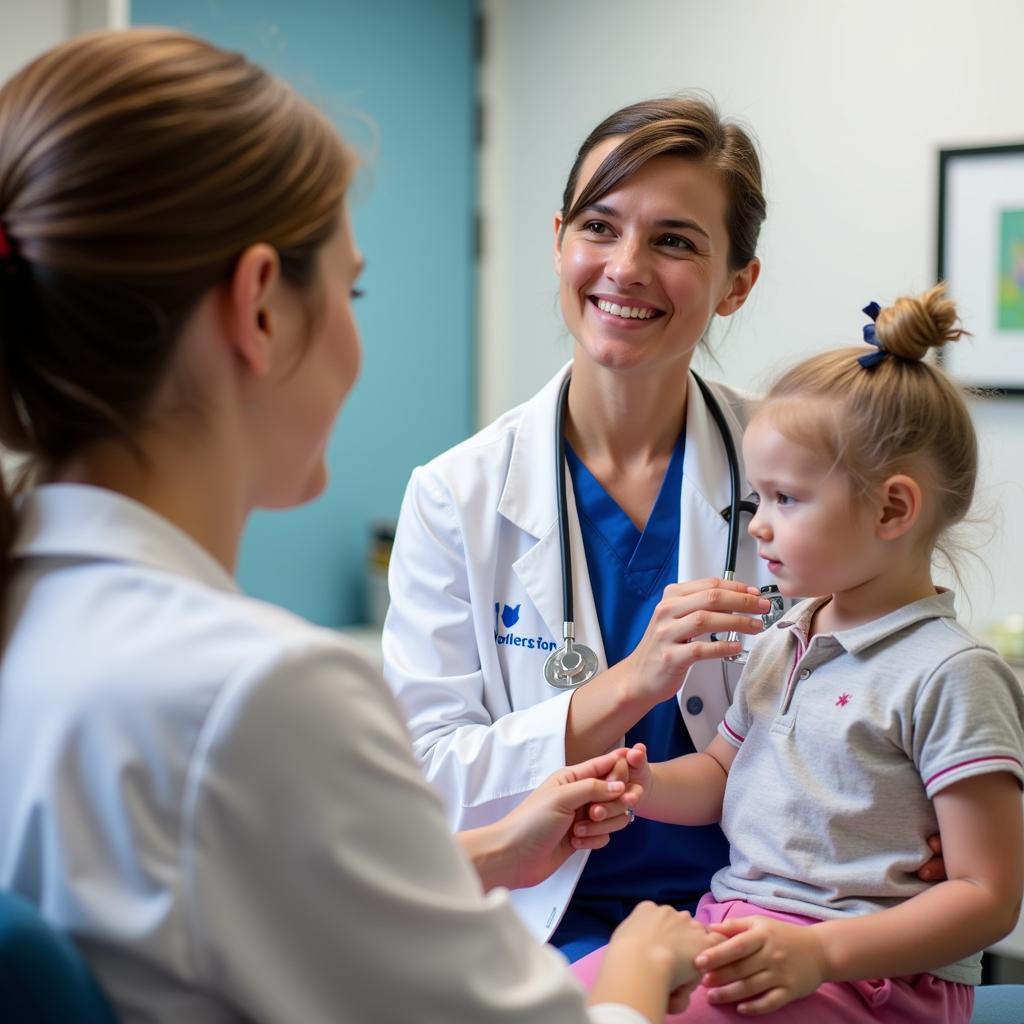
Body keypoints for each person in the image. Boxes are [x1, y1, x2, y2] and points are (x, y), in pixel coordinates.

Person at [0, 29, 725, 1024]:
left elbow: (240, 903)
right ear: (260, 308)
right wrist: (642, 968)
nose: (354, 335)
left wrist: (480, 856)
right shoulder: (262, 691)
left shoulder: (36, 613)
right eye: (352, 288)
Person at [382, 96, 944, 959]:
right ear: (559, 238)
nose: (627, 266)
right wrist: (630, 684)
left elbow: (908, 671)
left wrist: (926, 809)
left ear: (737, 284)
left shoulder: (809, 469)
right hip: (541, 928)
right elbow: (432, 778)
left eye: (675, 241)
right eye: (600, 228)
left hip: (774, 919)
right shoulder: (456, 496)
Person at [570, 286, 1024, 1022]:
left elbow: (986, 897)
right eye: (757, 502)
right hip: (740, 928)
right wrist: (637, 783)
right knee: (544, 1004)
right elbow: (721, 774)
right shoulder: (786, 638)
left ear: (892, 509)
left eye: (786, 499)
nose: (760, 529)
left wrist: (823, 956)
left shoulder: (951, 674)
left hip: (874, 974)